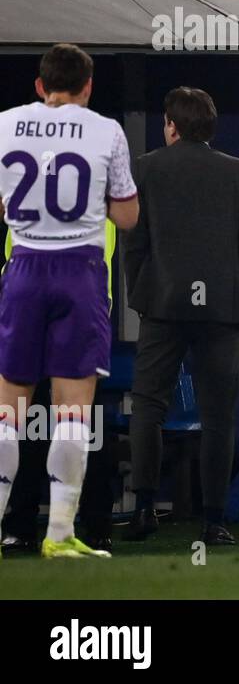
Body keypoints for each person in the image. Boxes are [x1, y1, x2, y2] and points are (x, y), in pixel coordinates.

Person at [0, 43, 139, 558]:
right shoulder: (106, 130)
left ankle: (8, 527)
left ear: (39, 85)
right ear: (88, 86)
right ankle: (59, 536)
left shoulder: (6, 124)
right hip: (81, 273)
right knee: (74, 413)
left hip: (24, 268)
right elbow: (126, 218)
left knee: (8, 410)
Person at [123, 87, 239, 546]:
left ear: (171, 125)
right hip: (224, 307)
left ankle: (143, 509)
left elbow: (134, 245)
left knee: (148, 405)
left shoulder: (146, 167)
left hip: (163, 304)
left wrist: (142, 295)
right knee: (219, 416)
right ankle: (214, 521)